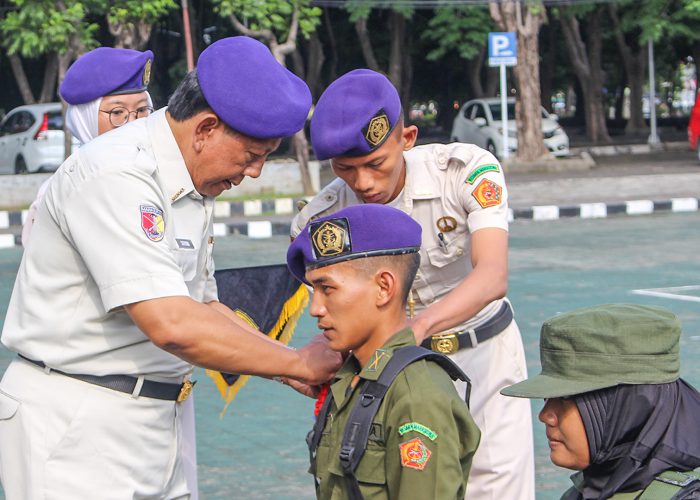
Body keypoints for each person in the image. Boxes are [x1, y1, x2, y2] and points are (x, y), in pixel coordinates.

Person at [0, 36, 341, 499]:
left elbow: (202, 307)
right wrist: (296, 360)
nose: (255, 173)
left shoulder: (188, 182)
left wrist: (288, 369)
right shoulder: (116, 173)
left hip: (155, 421)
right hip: (77, 424)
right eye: (252, 156)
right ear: (205, 129)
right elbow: (172, 324)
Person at [290, 68, 535, 499]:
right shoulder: (321, 219)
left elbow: (492, 275)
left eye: (375, 164)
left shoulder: (463, 171)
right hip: (393, 380)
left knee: (496, 487)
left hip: (484, 357)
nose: (363, 183)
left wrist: (414, 331)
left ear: (407, 139)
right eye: (346, 169)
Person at [287, 203, 480, 499]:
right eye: (314, 292)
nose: (316, 309)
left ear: (383, 288)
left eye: (328, 289)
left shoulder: (416, 396)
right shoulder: (351, 377)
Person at [501, 303, 700, 500]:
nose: (545, 415)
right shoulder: (597, 485)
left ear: (628, 406)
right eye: (548, 397)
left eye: (564, 397)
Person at [21, 46, 155, 246]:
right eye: (118, 113)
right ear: (86, 119)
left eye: (142, 110)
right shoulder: (61, 192)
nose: (133, 123)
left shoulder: (159, 176)